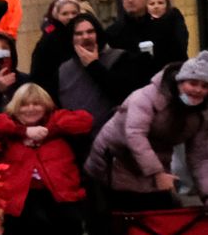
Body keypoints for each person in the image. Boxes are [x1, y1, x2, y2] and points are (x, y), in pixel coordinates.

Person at [0, 83, 92, 235]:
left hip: (61, 195)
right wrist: (23, 131)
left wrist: (47, 131)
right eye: (25, 105)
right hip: (20, 198)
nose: (31, 109)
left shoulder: (57, 120)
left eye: (37, 104)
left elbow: (85, 120)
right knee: (29, 231)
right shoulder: (8, 127)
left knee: (67, 229)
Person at [87, 55, 208, 214]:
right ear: (179, 82)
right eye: (192, 83)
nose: (198, 90)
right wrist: (157, 173)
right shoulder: (146, 97)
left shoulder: (200, 115)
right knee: (125, 217)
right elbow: (135, 135)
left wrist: (206, 195)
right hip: (116, 158)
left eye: (205, 86)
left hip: (153, 162)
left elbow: (199, 157)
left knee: (157, 216)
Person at [48, 12, 144, 123]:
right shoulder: (63, 70)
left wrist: (94, 65)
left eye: (90, 32)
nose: (86, 37)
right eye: (79, 34)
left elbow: (123, 93)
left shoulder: (119, 58)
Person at [143, 0, 191, 74]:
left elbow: (181, 42)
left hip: (176, 67)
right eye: (152, 4)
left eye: (160, 3)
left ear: (167, 5)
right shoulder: (143, 24)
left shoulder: (174, 18)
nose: (156, 6)